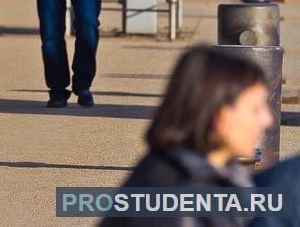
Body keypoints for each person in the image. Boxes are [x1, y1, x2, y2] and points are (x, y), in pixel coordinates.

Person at [99, 46, 273, 227]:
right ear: (217, 115)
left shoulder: (222, 170)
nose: (267, 120)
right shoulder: (167, 200)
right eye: (255, 109)